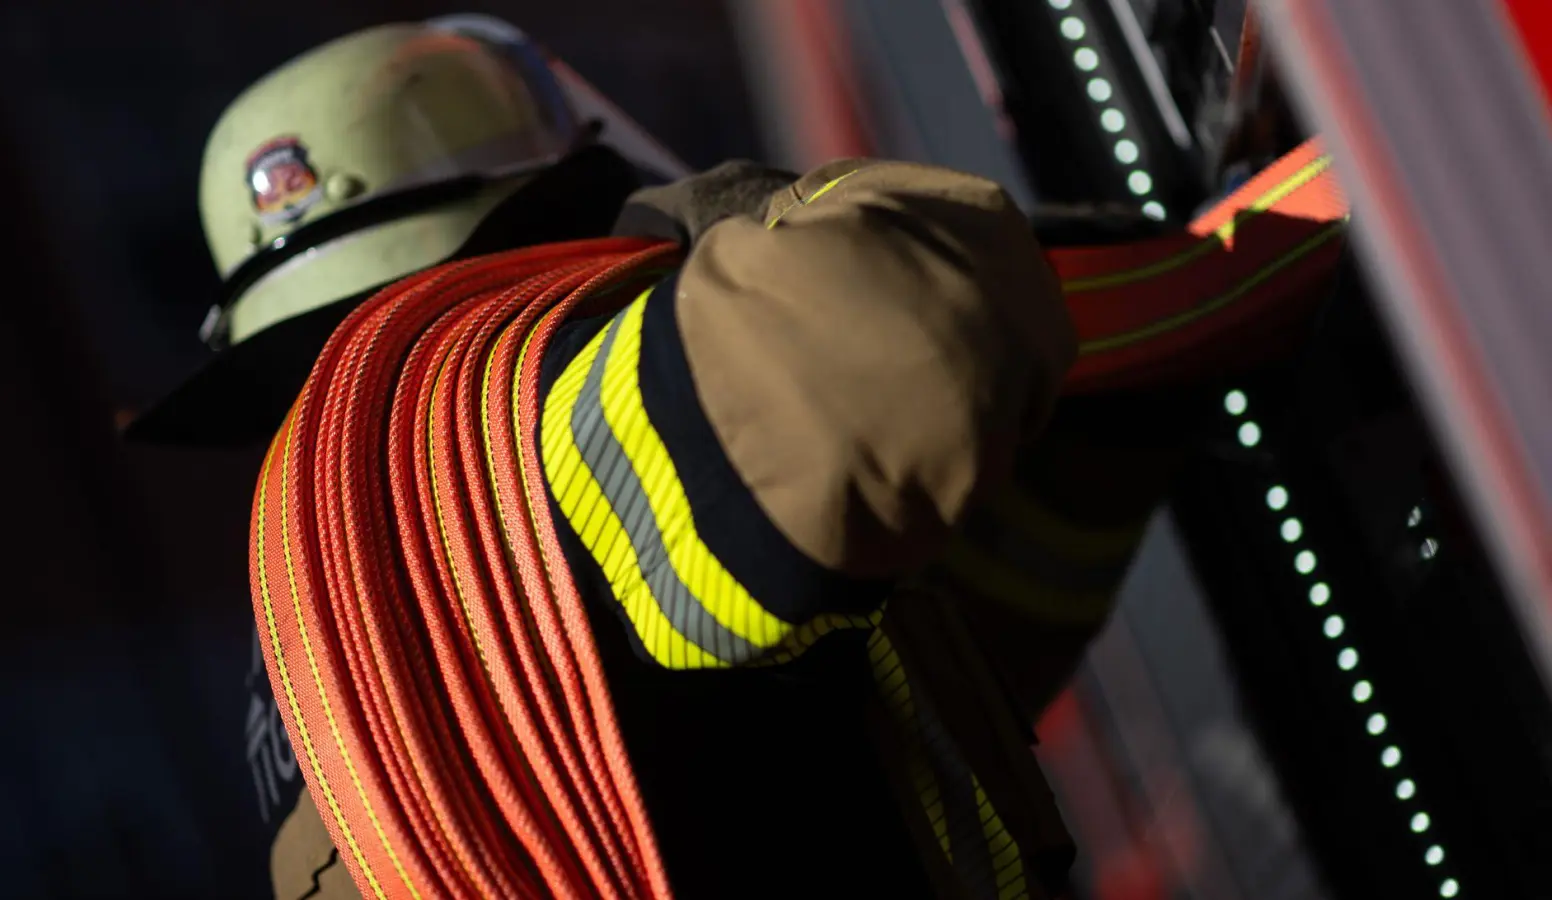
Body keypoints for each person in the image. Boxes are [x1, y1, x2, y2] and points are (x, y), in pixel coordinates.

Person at [132, 16, 1350, 900]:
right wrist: (715, 232)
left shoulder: (320, 644)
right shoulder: (539, 437)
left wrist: (1109, 395)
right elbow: (905, 338)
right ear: (552, 204)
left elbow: (885, 670)